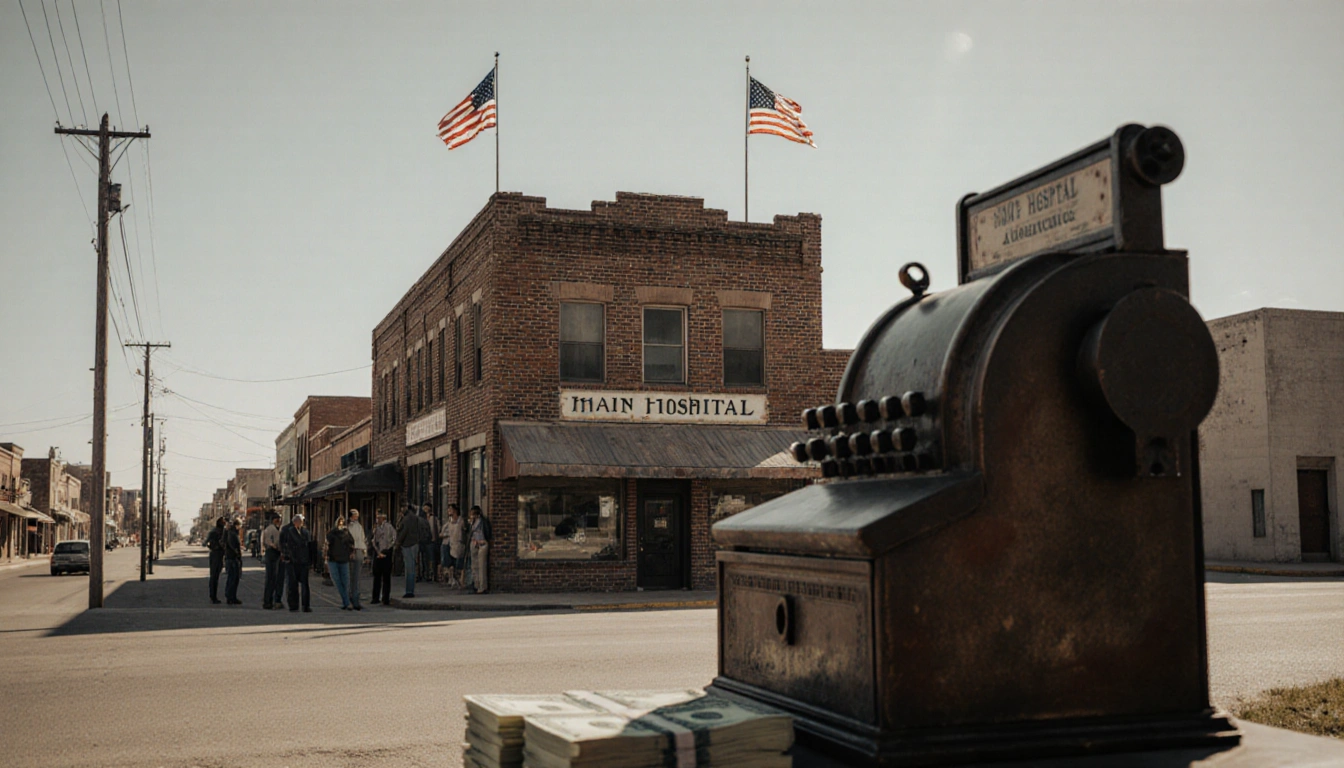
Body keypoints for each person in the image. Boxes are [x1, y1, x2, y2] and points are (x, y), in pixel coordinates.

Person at [281, 513, 314, 612]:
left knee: (305, 584)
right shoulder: (288, 531)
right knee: (292, 584)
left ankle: (305, 605)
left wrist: (311, 560)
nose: (302, 523)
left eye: (302, 521)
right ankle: (293, 605)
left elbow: (310, 546)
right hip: (292, 561)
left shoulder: (305, 532)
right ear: (295, 522)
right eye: (300, 521)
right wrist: (287, 556)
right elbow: (283, 545)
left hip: (303, 561)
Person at [326, 516, 356, 610]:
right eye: (340, 522)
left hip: (344, 559)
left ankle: (346, 602)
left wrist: (351, 552)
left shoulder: (346, 533)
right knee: (337, 581)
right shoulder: (332, 533)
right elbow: (327, 544)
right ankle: (346, 602)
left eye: (342, 522)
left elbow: (352, 543)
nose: (341, 523)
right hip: (333, 559)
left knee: (346, 582)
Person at [370, 510, 396, 605]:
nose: (377, 520)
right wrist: (377, 550)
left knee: (386, 577)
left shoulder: (389, 527)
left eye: (379, 518)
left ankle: (386, 598)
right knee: (377, 576)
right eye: (377, 518)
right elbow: (373, 540)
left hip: (386, 552)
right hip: (378, 552)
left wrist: (388, 548)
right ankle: (375, 597)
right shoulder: (376, 528)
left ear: (383, 518)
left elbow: (394, 538)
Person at [395, 504, 420, 598]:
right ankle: (410, 589)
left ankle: (409, 591)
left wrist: (398, 543)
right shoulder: (414, 517)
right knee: (412, 567)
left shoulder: (407, 519)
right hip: (414, 543)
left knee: (409, 569)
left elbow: (402, 531)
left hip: (408, 544)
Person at [261, 513, 284, 609]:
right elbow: (274, 543)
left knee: (273, 579)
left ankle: (270, 600)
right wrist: (279, 549)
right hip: (272, 554)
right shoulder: (271, 530)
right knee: (272, 578)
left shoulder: (271, 529)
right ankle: (268, 601)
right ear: (275, 520)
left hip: (272, 554)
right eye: (278, 519)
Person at [468, 505, 491, 594]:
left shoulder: (483, 522)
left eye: (473, 514)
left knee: (482, 566)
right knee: (474, 565)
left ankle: (482, 586)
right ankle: (476, 584)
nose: (472, 516)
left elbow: (487, 532)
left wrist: (483, 540)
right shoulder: (472, 523)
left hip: (482, 543)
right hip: (474, 543)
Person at [441, 504, 465, 588]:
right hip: (450, 544)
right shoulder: (449, 522)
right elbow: (443, 532)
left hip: (458, 544)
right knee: (450, 563)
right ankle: (452, 580)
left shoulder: (460, 521)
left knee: (458, 563)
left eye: (450, 509)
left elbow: (464, 531)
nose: (449, 511)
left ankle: (460, 581)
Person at [347, 509, 367, 610]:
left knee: (355, 577)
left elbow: (362, 539)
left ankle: (354, 599)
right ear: (351, 516)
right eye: (355, 515)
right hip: (353, 551)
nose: (357, 517)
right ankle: (353, 600)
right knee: (354, 577)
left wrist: (364, 552)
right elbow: (352, 540)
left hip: (359, 550)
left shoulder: (358, 525)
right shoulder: (350, 526)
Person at [204, 518, 226, 604]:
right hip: (216, 555)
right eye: (223, 522)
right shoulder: (216, 532)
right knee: (214, 576)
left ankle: (213, 595)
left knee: (215, 576)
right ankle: (213, 596)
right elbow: (207, 543)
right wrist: (216, 547)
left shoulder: (219, 531)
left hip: (218, 555)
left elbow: (207, 543)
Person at [223, 518, 243, 605]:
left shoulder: (232, 533)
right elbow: (232, 545)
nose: (240, 527)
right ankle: (230, 597)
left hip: (232, 558)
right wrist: (237, 553)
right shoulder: (232, 534)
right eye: (240, 525)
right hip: (232, 559)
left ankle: (232, 597)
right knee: (232, 578)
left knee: (234, 579)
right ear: (236, 525)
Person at [419, 505, 438, 583]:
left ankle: (431, 574)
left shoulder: (433, 519)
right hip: (423, 541)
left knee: (430, 558)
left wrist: (434, 538)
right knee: (423, 558)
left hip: (431, 541)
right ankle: (423, 573)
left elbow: (436, 529)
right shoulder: (422, 519)